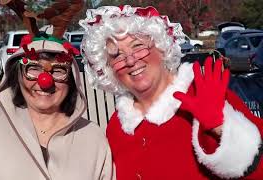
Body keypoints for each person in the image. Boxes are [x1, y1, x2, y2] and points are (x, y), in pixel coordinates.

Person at [79, 5, 263, 179]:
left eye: (138, 46)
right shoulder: (117, 127)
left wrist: (221, 127)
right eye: (116, 55)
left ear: (161, 47)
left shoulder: (204, 94)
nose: (130, 60)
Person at [0, 31, 114, 179]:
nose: (45, 81)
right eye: (33, 68)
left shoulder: (93, 137)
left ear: (71, 81)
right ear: (18, 75)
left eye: (58, 71)